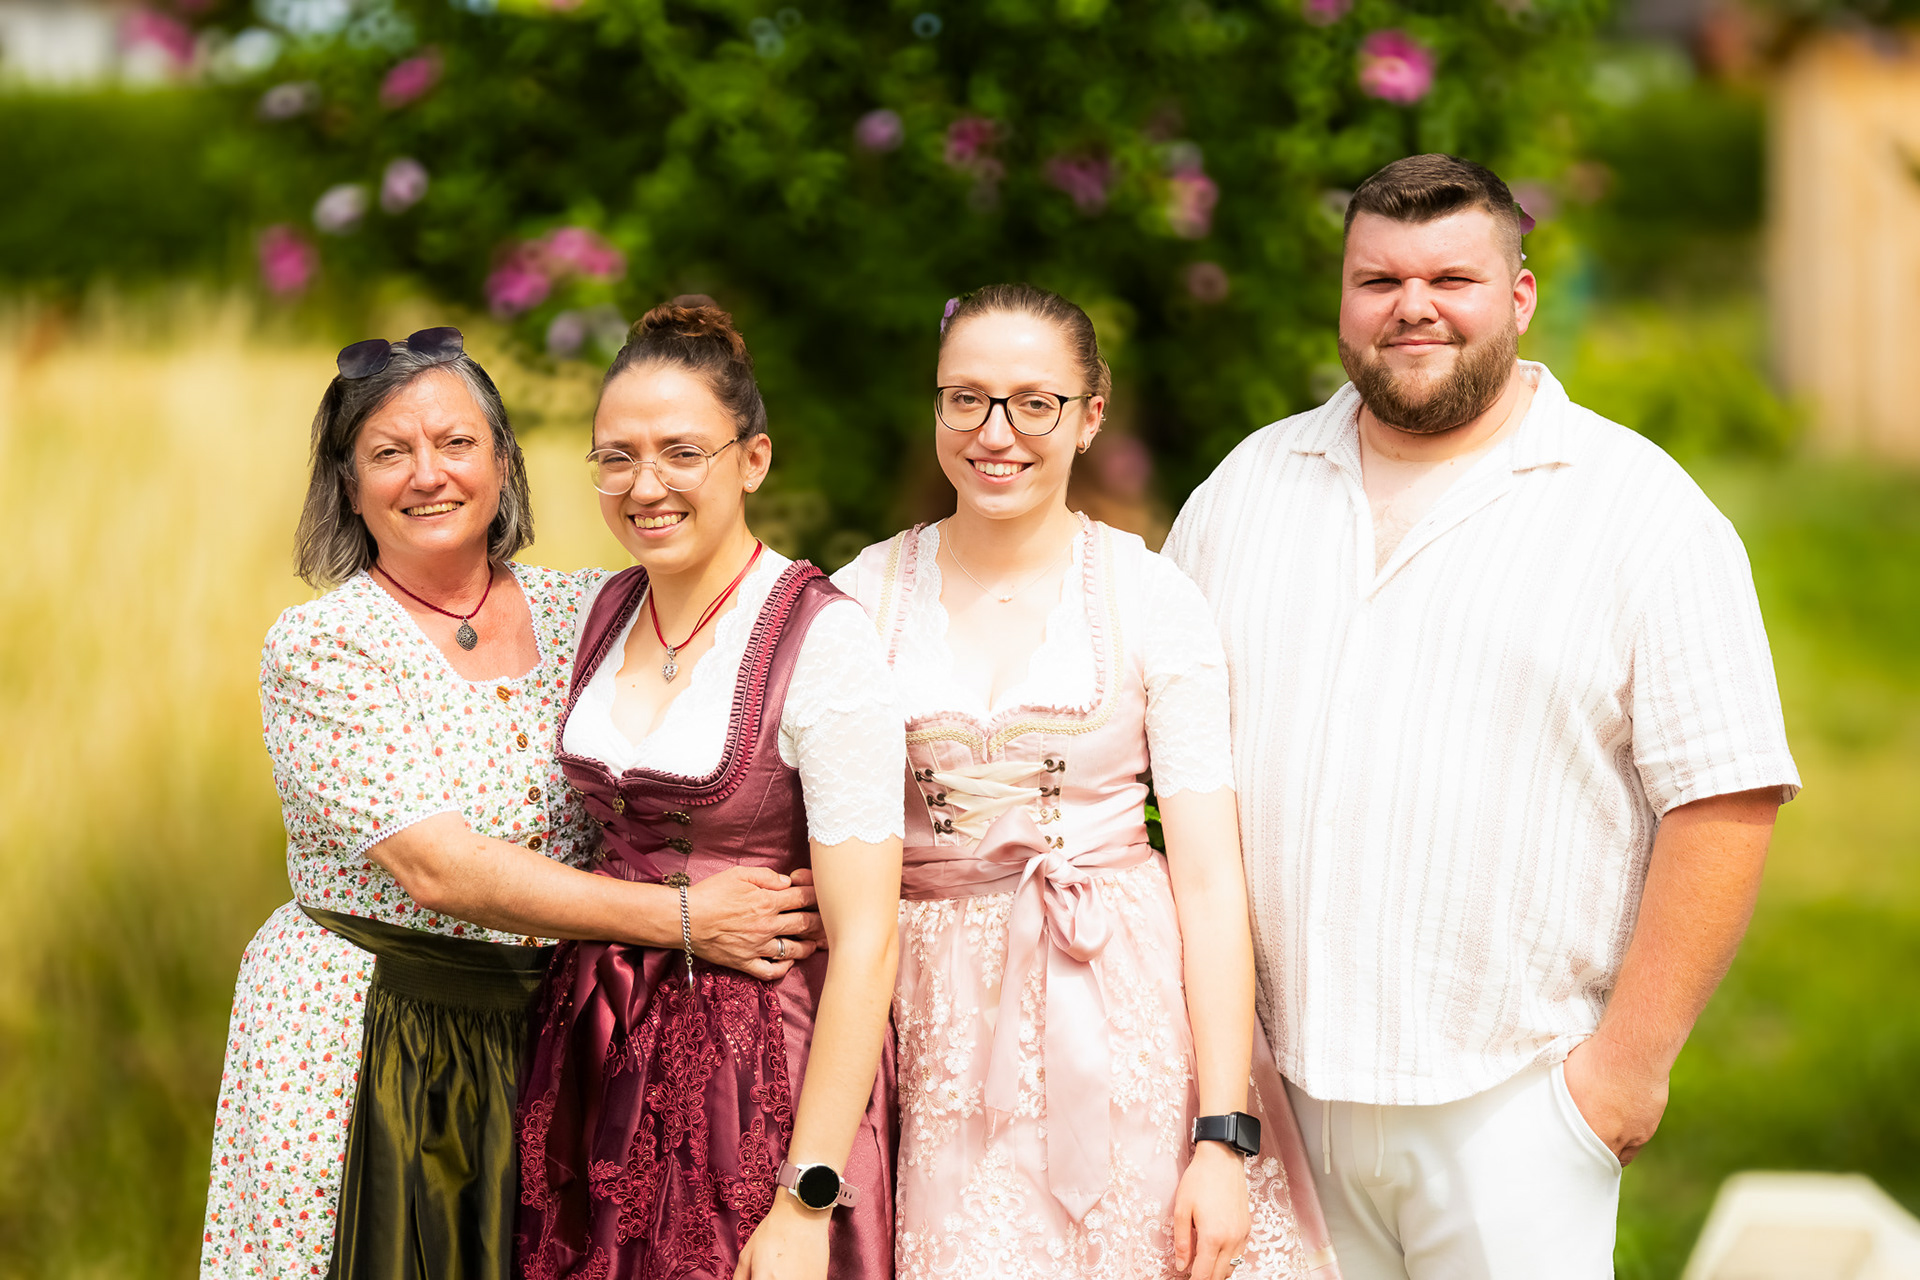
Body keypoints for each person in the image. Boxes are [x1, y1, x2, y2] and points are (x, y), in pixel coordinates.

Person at [1165, 154, 1802, 1278]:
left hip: (1515, 1103)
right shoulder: (1247, 488)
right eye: (1379, 280)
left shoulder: (1641, 511)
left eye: (1451, 278)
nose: (1412, 307)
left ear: (1520, 295)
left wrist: (1623, 1075)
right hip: (1270, 1099)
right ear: (1343, 300)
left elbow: (1726, 797)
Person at [201, 327, 824, 1280]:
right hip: (371, 1028)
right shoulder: (324, 646)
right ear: (349, 483)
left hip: (551, 1027)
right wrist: (687, 919)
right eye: (389, 452)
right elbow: (437, 868)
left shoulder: (595, 611)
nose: (428, 474)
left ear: (503, 462)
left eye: (457, 443)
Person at [833, 283, 1338, 1280]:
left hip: (1125, 1006)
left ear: (1089, 415)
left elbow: (1209, 880)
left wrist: (1221, 1135)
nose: (996, 433)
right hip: (932, 1031)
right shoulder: (859, 599)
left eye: (1035, 402)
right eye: (966, 399)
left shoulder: (1152, 599)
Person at [515, 302, 904, 1280]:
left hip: (755, 1076)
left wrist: (807, 1195)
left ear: (753, 459)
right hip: (594, 1051)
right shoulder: (604, 609)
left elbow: (867, 939)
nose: (645, 485)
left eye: (682, 453)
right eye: (616, 457)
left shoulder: (824, 641)